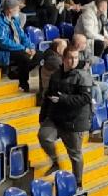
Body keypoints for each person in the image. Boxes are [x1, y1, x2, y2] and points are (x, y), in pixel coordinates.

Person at [40, 49, 93, 183]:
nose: (73, 61)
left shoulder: (83, 76)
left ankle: (78, 182)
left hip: (75, 120)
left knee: (75, 155)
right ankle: (55, 162)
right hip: (56, 117)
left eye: (75, 58)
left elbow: (85, 98)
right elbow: (48, 96)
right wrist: (43, 115)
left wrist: (63, 99)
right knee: (44, 136)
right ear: (63, 59)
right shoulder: (56, 75)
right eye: (70, 58)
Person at [0, 1, 38, 93]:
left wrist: (31, 47)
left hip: (18, 48)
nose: (19, 10)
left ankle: (15, 73)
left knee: (39, 55)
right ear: (9, 10)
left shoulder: (15, 20)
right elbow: (3, 42)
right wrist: (23, 48)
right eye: (17, 8)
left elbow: (23, 36)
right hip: (2, 51)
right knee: (24, 57)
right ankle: (23, 83)